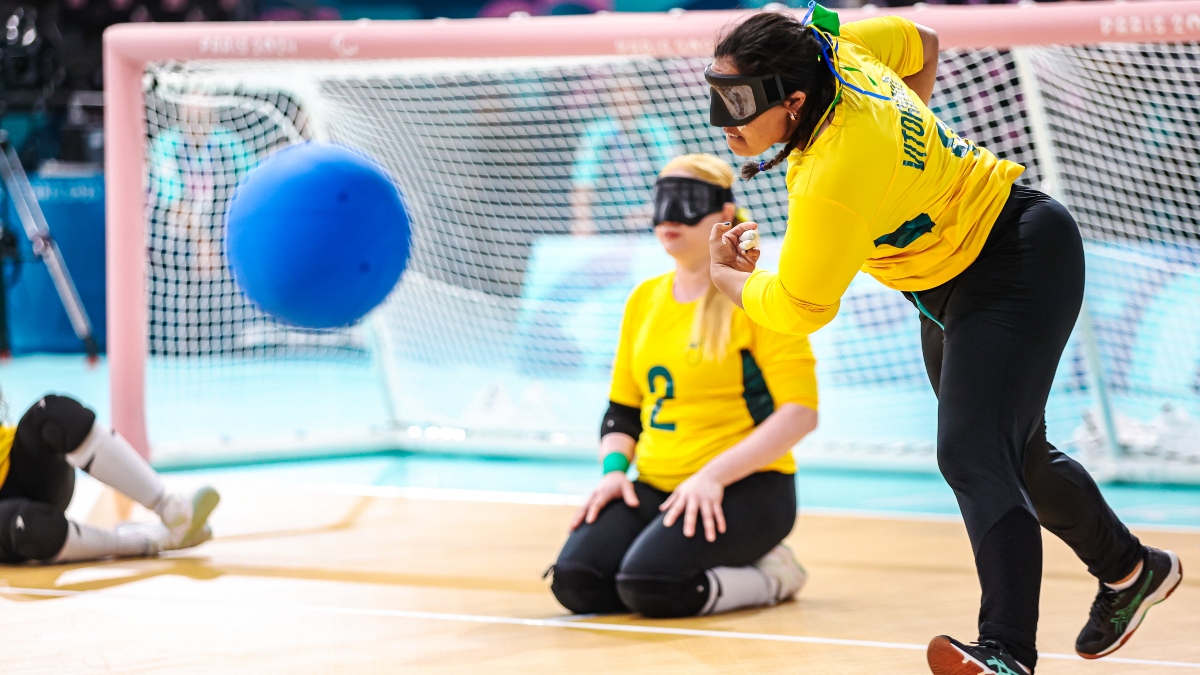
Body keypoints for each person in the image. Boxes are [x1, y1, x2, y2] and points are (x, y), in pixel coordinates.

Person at [702, 5, 1181, 673]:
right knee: (1016, 454)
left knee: (973, 452)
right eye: (715, 92)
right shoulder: (832, 49)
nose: (723, 120)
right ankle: (1133, 570)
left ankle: (1006, 654)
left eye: (738, 101)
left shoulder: (834, 169)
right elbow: (921, 42)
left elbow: (801, 307)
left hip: (1013, 257)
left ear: (795, 100)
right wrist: (904, 160)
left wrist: (725, 275)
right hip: (948, 282)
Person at [549, 153, 818, 619]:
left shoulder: (759, 298)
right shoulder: (643, 299)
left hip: (746, 488)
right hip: (655, 483)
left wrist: (712, 476)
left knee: (652, 587)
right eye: (662, 201)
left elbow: (800, 413)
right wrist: (614, 472)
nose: (670, 217)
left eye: (688, 201)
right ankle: (667, 552)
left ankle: (774, 574)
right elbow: (623, 411)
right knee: (577, 584)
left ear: (725, 214)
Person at [0, 394, 218, 564]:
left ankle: (170, 508)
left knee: (52, 414)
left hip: (17, 467)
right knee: (31, 528)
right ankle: (148, 541)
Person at [569, 76, 681, 235]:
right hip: (608, 219)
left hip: (653, 217)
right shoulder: (597, 133)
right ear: (609, 98)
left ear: (641, 97)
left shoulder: (658, 131)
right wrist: (582, 221)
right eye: (619, 91)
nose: (625, 97)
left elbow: (674, 179)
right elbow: (583, 182)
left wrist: (651, 210)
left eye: (631, 91)